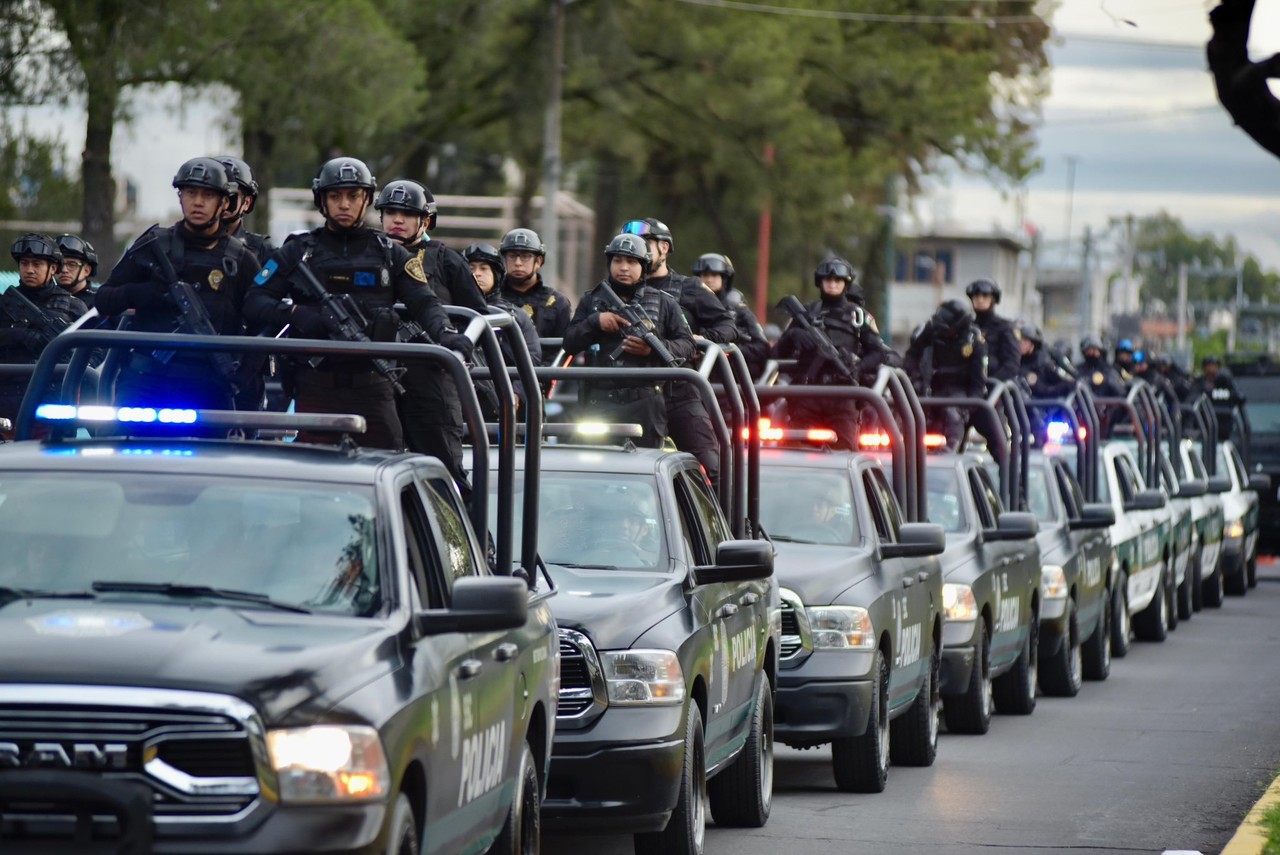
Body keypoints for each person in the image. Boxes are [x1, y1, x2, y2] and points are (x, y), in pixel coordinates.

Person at [244, 156, 469, 450]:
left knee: (385, 469)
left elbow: (424, 302)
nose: (344, 204)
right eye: (335, 196)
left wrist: (446, 334)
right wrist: (297, 313)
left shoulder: (390, 253)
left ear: (366, 199)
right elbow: (255, 300)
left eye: (353, 196)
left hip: (374, 384)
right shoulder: (297, 252)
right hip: (316, 385)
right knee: (313, 473)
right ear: (321, 200)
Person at [97, 157, 259, 415]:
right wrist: (145, 294)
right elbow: (103, 299)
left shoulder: (241, 260)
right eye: (190, 193)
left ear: (224, 203)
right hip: (146, 383)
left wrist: (244, 373)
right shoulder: (154, 245)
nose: (197, 202)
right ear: (180, 197)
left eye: (207, 195)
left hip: (209, 386)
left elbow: (262, 320)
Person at [376, 179, 487, 492]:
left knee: (444, 476)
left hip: (431, 377)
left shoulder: (446, 260)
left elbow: (479, 317)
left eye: (407, 214)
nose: (397, 220)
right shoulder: (368, 254)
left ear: (424, 221)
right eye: (391, 212)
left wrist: (455, 351)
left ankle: (474, 541)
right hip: (373, 377)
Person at [620, 218, 733, 490]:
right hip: (629, 393)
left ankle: (725, 529)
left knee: (712, 470)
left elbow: (727, 327)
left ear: (665, 248)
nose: (637, 251)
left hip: (678, 392)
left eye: (645, 244)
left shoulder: (690, 288)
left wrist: (697, 342)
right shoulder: (615, 289)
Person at [562, 233, 696, 449]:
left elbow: (687, 346)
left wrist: (652, 349)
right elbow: (569, 342)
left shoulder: (665, 302)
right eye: (618, 260)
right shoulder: (592, 300)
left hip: (644, 404)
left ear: (643, 266)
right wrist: (594, 322)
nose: (623, 267)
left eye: (631, 261)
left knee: (645, 468)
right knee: (595, 468)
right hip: (600, 401)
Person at [775, 258, 900, 449]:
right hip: (807, 394)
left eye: (838, 280)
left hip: (842, 395)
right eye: (828, 280)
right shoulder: (806, 313)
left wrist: (857, 366)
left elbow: (877, 353)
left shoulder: (858, 315)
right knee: (795, 454)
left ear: (846, 283)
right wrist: (793, 335)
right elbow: (775, 353)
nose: (832, 284)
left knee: (845, 454)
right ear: (820, 282)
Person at [0, 234, 88, 425]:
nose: (29, 270)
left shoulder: (73, 307)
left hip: (52, 398)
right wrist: (19, 336)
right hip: (6, 395)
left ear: (53, 268)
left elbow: (94, 351)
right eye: (25, 263)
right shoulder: (5, 303)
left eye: (37, 264)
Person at [905, 298, 988, 449]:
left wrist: (968, 408)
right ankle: (905, 451)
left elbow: (978, 382)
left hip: (958, 392)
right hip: (930, 387)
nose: (943, 331)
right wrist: (915, 378)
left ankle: (952, 450)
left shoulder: (974, 341)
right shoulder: (931, 329)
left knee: (953, 413)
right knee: (908, 407)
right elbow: (911, 355)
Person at [690, 252, 770, 378]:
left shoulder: (738, 308)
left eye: (715, 275)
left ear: (725, 278)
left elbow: (762, 348)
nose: (709, 279)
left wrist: (730, 348)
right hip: (699, 377)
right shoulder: (690, 306)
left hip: (734, 380)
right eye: (705, 275)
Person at [498, 227, 573, 359]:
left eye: (526, 256)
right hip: (495, 375)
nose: (518, 263)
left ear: (538, 261)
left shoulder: (558, 302)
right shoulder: (492, 298)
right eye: (512, 256)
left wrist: (546, 376)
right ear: (504, 259)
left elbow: (565, 352)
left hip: (543, 376)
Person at [463, 242, 542, 366]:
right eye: (471, 268)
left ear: (496, 275)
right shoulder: (453, 312)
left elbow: (531, 362)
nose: (477, 273)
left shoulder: (515, 316)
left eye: (484, 268)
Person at [214, 155, 274, 262]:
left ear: (247, 202)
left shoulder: (261, 250)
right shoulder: (177, 242)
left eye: (231, 196)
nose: (224, 203)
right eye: (216, 195)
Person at [966, 278, 1021, 383]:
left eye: (985, 296)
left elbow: (1011, 365)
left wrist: (989, 384)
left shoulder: (1006, 327)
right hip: (966, 388)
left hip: (994, 389)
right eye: (976, 296)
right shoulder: (967, 327)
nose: (980, 300)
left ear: (993, 299)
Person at [1018, 320, 1075, 400]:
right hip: (1033, 403)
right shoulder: (1016, 363)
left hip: (1051, 402)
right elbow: (1039, 390)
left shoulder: (1046, 356)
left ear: (1033, 343)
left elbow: (1068, 374)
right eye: (1019, 340)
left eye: (1024, 341)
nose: (1020, 344)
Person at [53, 234, 99, 309]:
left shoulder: (102, 300)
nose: (64, 270)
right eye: (59, 264)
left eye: (72, 265)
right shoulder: (43, 298)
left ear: (87, 270)